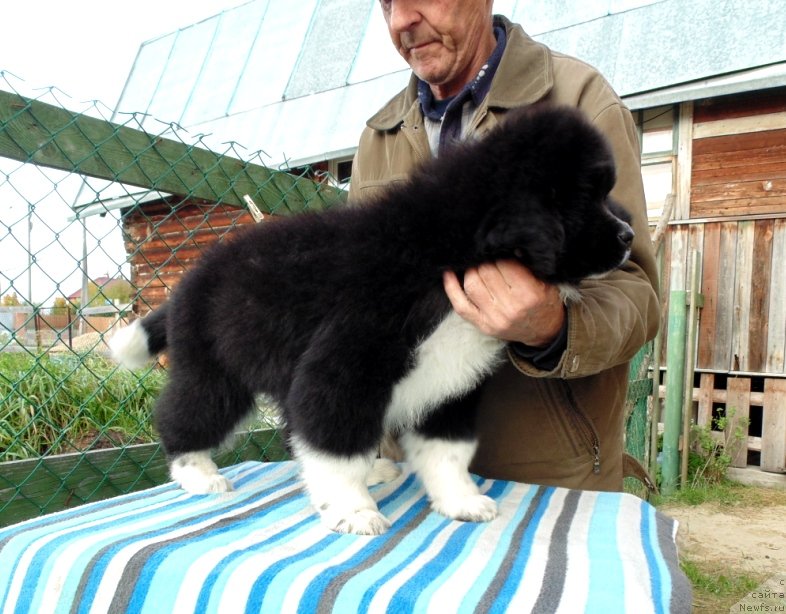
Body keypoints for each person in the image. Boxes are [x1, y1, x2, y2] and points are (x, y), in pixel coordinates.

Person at [348, 0, 660, 492]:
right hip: (406, 478)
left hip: (544, 481)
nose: (401, 20)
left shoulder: (578, 98)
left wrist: (554, 327)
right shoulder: (378, 135)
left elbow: (637, 293)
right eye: (386, 2)